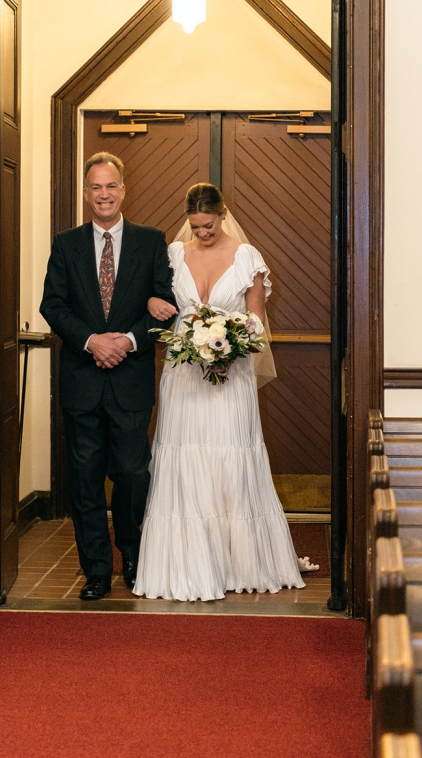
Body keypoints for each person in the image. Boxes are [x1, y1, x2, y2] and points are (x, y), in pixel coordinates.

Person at [133, 182, 305, 601]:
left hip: (232, 377)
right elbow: (156, 304)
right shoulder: (174, 254)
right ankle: (187, 562)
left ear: (223, 214)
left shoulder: (247, 258)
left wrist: (234, 346)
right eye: (195, 226)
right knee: (183, 456)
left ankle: (237, 563)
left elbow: (256, 321)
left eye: (207, 226)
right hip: (183, 376)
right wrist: (163, 314)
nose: (201, 234)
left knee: (231, 458)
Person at [39, 152, 174, 601]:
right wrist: (93, 341)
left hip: (131, 381)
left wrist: (128, 342)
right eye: (95, 187)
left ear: (123, 189)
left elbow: (166, 308)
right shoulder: (66, 244)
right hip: (82, 382)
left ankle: (132, 557)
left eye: (111, 186)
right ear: (84, 192)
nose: (104, 194)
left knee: (134, 475)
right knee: (85, 480)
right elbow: (52, 306)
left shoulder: (152, 242)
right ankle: (96, 569)